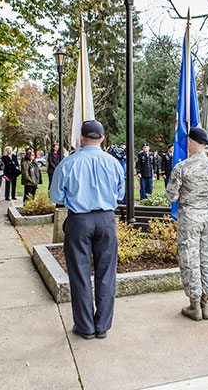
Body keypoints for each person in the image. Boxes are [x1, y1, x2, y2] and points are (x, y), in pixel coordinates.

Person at [50, 120, 124, 340]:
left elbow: (56, 196)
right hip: (106, 219)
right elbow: (120, 194)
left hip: (79, 220)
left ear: (81, 138)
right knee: (106, 274)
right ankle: (102, 325)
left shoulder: (68, 163)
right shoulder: (113, 163)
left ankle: (85, 327)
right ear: (102, 138)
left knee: (80, 274)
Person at [165, 127, 208, 321]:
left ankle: (194, 304)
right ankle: (207, 304)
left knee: (190, 260)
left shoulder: (182, 167)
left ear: (190, 142)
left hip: (190, 217)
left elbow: (171, 196)